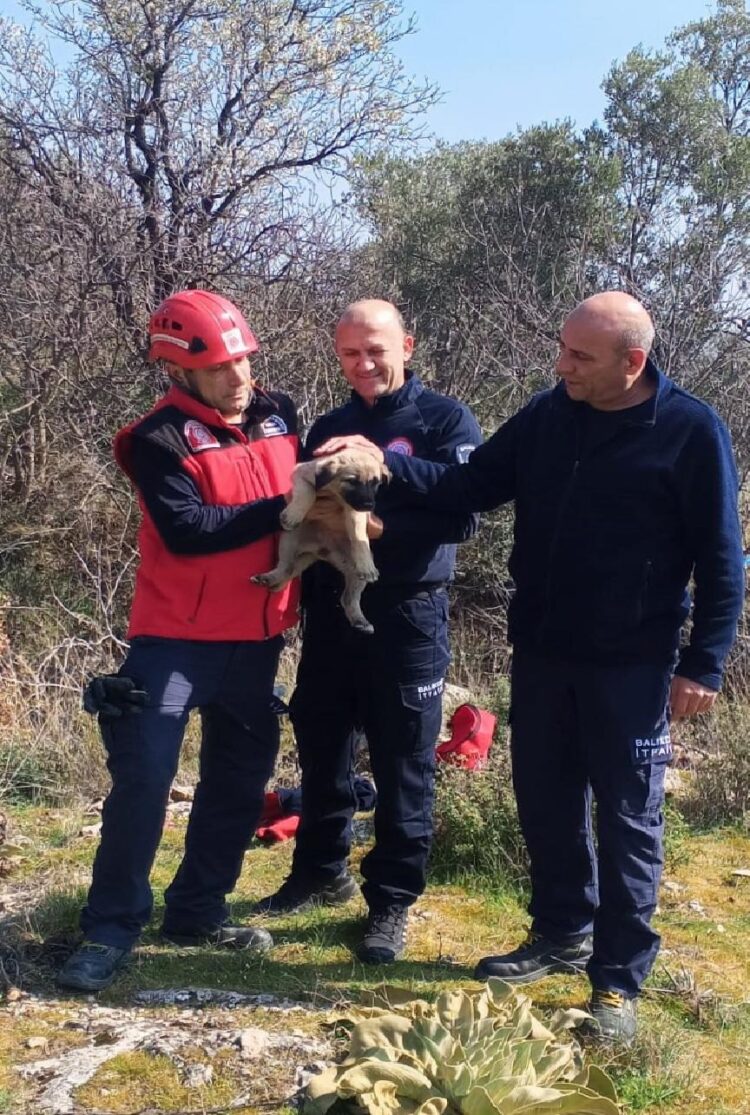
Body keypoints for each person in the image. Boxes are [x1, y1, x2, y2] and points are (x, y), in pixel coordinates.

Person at [316, 292, 745, 1041]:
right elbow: (467, 485)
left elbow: (721, 555)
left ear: (631, 362)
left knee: (627, 819)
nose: (561, 365)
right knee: (545, 801)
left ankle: (615, 986)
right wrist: (382, 465)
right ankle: (559, 931)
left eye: (579, 356)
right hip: (544, 650)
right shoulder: (551, 414)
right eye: (562, 349)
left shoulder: (687, 429)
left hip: (634, 661)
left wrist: (703, 662)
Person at [58, 289, 300, 992]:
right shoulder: (155, 439)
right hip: (175, 641)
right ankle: (109, 929)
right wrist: (290, 504)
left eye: (246, 360)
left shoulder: (280, 413)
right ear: (180, 370)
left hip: (259, 639)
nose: (240, 377)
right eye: (224, 366)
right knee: (143, 781)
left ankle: (196, 911)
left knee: (237, 782)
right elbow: (188, 530)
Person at [256, 299, 482, 964]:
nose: (364, 363)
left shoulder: (444, 419)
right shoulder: (330, 425)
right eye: (351, 352)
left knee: (403, 759)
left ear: (406, 344)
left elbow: (463, 515)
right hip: (330, 605)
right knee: (322, 743)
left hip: (408, 612)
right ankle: (319, 869)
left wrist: (377, 522)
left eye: (376, 349)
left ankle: (390, 901)